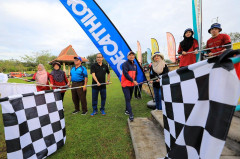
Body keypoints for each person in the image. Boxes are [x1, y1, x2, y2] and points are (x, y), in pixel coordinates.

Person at [121, 51, 138, 122]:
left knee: (129, 98)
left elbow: (135, 74)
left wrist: (135, 81)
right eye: (130, 55)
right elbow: (125, 74)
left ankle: (127, 110)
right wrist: (132, 80)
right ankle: (131, 114)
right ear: (127, 57)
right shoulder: (125, 64)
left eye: (133, 55)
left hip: (132, 85)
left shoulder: (135, 65)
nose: (131, 56)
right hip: (125, 84)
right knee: (127, 98)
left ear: (134, 57)